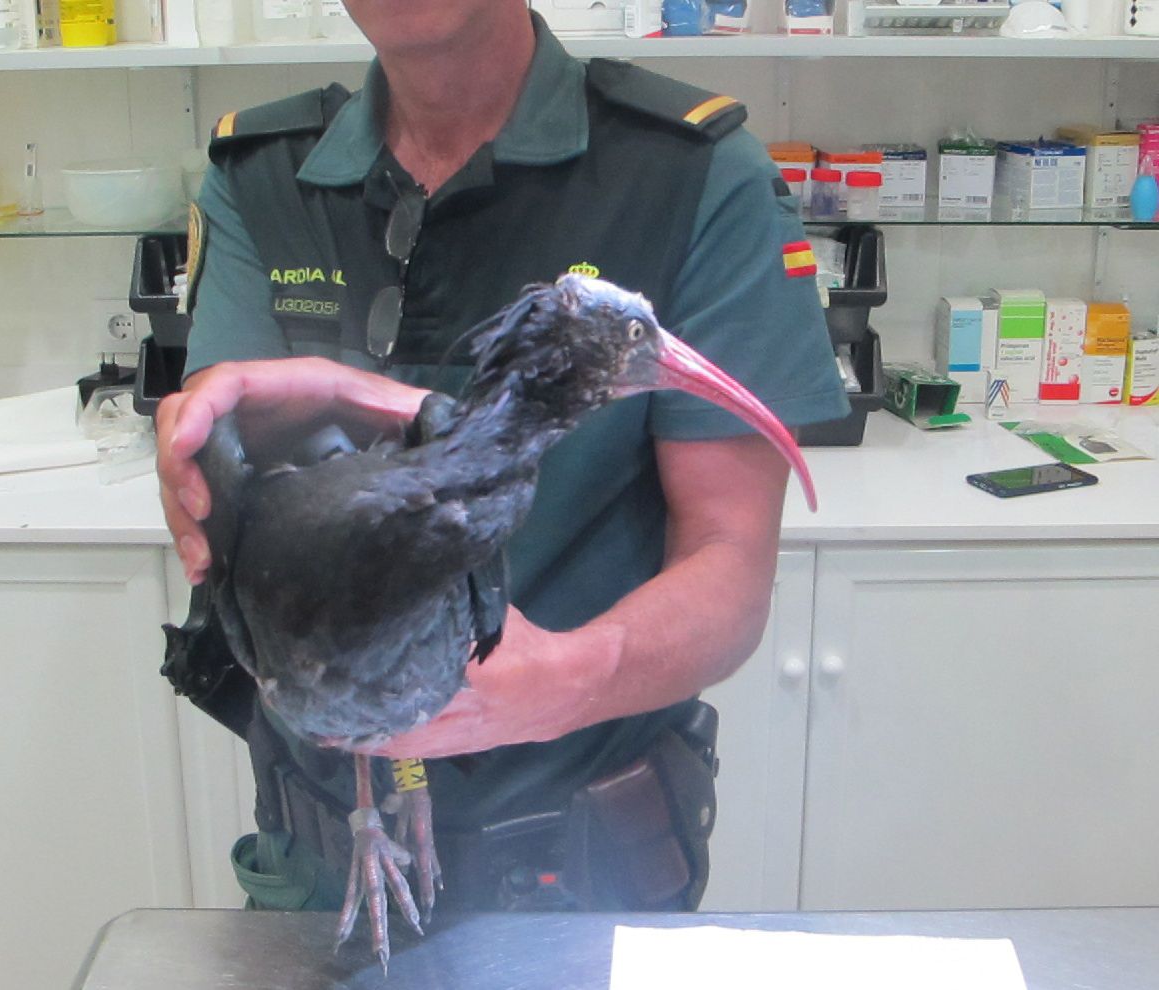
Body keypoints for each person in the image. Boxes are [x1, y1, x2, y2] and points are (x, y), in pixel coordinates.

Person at [155, 0, 849, 915]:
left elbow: (729, 560)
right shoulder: (263, 176)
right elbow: (228, 476)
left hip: (588, 873)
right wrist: (201, 460)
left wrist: (565, 679)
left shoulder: (690, 174)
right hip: (321, 875)